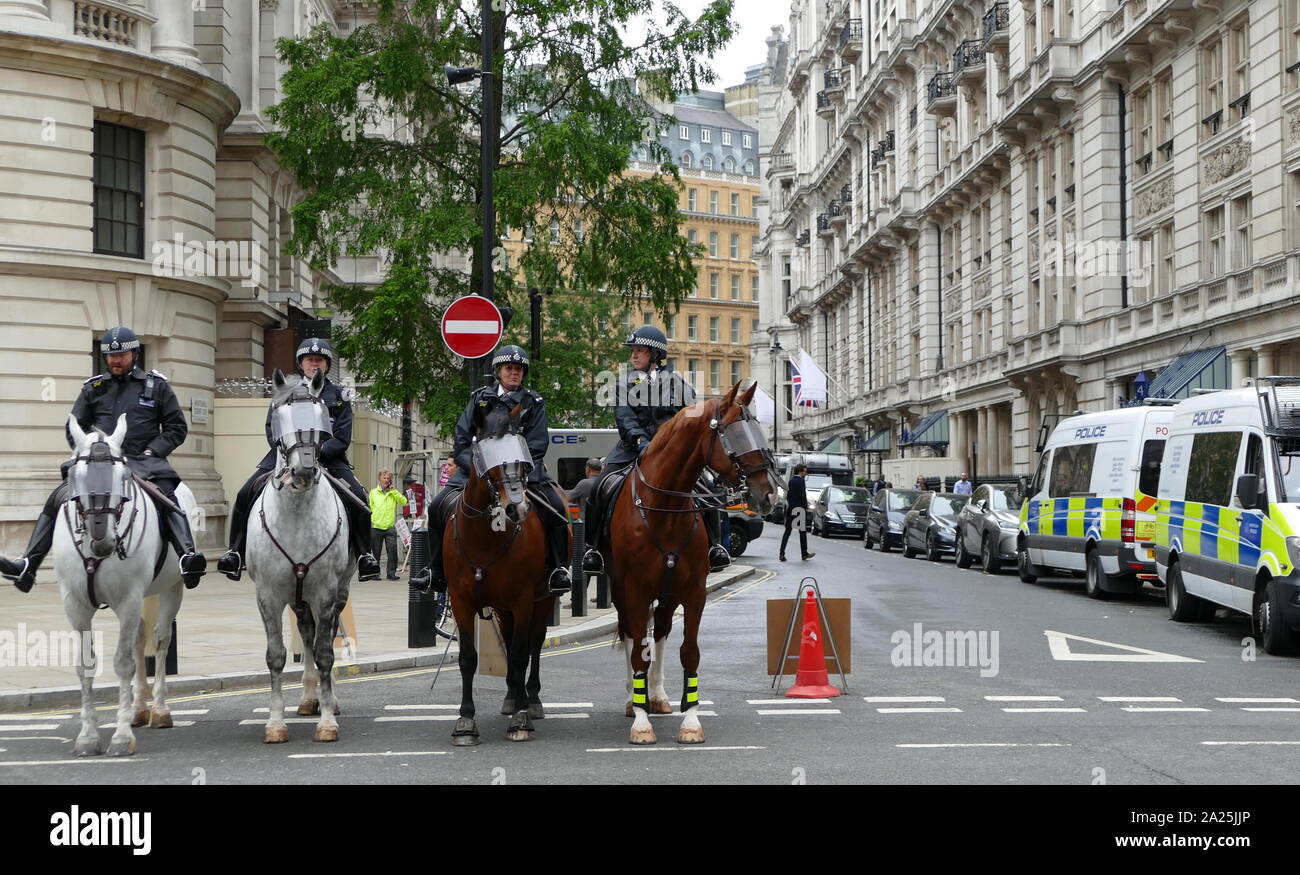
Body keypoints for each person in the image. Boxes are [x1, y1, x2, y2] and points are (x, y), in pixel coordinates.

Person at [0, 327, 207, 591]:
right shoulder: (94, 388)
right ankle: (28, 565)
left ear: (134, 353)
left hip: (143, 461)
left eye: (121, 355)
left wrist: (152, 451)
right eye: (110, 356)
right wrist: (91, 449)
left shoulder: (156, 387)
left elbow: (176, 428)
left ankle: (187, 557)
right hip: (99, 461)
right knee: (58, 496)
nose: (115, 361)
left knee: (166, 495)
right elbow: (74, 426)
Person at [216, 338, 381, 582]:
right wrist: (290, 453)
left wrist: (317, 454)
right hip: (285, 457)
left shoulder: (338, 395)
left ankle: (364, 555)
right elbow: (272, 428)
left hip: (329, 459)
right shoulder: (285, 391)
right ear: (301, 364)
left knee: (359, 497)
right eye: (309, 360)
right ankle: (235, 553)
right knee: (244, 494)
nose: (314, 364)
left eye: (319, 360)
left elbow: (343, 435)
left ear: (327, 365)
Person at [417, 345, 573, 595]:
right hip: (477, 472)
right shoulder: (480, 399)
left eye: (519, 369)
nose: (514, 373)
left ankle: (557, 570)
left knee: (555, 508)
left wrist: (518, 472)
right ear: (498, 371)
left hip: (521, 474)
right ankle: (435, 571)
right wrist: (476, 469)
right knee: (436, 507)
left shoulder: (533, 402)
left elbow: (537, 443)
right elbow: (462, 438)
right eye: (509, 368)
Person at [580, 325, 731, 574]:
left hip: (671, 453)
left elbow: (692, 416)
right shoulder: (623, 384)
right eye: (633, 352)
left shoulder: (678, 385)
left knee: (707, 488)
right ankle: (593, 549)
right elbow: (625, 419)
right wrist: (641, 441)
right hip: (632, 448)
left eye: (640, 351)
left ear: (655, 355)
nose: (634, 356)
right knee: (599, 486)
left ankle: (714, 547)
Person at [369, 470, 407, 580]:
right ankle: (375, 573)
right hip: (376, 526)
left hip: (390, 526)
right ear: (379, 479)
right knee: (376, 552)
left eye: (388, 478)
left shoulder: (393, 493)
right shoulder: (373, 492)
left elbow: (403, 502)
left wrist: (394, 491)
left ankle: (391, 573)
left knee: (392, 551)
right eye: (384, 478)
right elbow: (371, 507)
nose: (386, 480)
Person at [779, 463, 815, 562]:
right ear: (800, 471)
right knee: (802, 532)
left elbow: (788, 495)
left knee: (787, 531)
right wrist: (805, 507)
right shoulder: (801, 481)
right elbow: (803, 495)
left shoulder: (790, 481)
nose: (806, 474)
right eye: (805, 471)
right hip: (800, 510)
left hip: (791, 509)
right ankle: (804, 554)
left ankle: (782, 553)